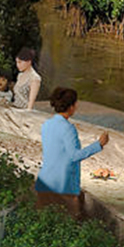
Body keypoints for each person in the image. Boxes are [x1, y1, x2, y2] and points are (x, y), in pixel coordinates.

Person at [34, 87, 110, 220]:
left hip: (45, 181)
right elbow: (74, 156)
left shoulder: (46, 124)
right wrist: (99, 145)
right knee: (70, 226)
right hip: (63, 185)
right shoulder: (68, 128)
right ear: (71, 106)